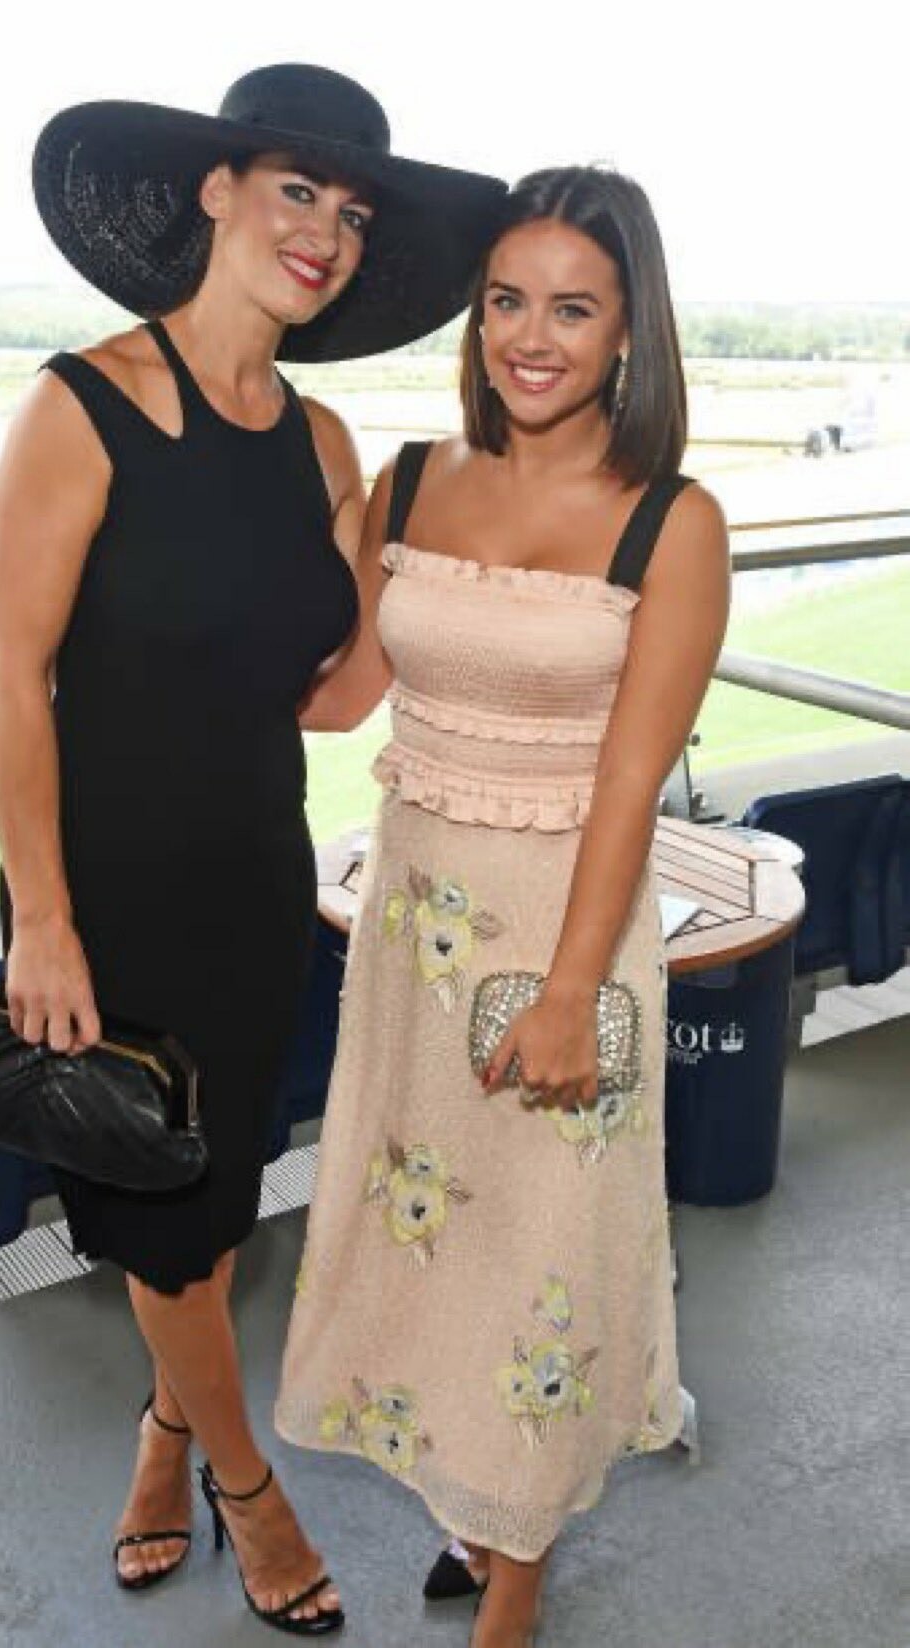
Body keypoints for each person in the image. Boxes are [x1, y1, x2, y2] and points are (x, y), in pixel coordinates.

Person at [0, 61, 503, 1636]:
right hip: (106, 895)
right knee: (168, 1230)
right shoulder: (80, 405)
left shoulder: (326, 442)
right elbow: (11, 676)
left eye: (354, 214)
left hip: (256, 886)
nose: (327, 231)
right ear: (215, 192)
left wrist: (416, 555)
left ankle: (162, 1434)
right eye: (298, 191)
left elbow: (328, 700)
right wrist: (43, 922)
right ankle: (246, 1487)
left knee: (204, 1213)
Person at [275, 165, 730, 1647]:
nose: (531, 338)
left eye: (573, 310)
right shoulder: (412, 479)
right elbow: (341, 695)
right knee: (437, 1239)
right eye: (505, 302)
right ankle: (469, 1509)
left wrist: (570, 994)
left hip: (565, 940)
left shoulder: (675, 522)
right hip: (416, 936)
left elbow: (632, 786)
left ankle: (516, 1577)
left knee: (543, 1248)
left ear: (630, 329)